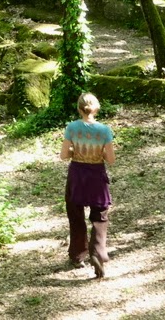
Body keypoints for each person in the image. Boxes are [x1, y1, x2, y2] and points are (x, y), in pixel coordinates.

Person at [60, 92, 115, 278]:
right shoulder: (104, 130)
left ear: (79, 108)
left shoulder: (72, 127)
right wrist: (99, 153)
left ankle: (77, 255)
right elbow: (111, 159)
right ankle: (98, 253)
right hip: (96, 176)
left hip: (77, 175)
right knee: (100, 215)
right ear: (96, 107)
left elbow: (63, 155)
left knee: (75, 214)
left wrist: (76, 150)